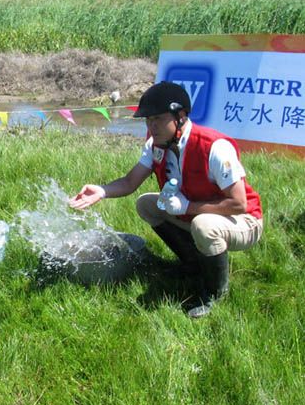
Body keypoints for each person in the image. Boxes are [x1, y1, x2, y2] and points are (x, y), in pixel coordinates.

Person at [69, 81, 263, 318]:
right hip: (199, 214)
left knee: (204, 226)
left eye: (158, 119)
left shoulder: (214, 147)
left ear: (180, 116)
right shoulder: (155, 145)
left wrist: (188, 207)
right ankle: (192, 264)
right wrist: (101, 190)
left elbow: (239, 204)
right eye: (148, 120)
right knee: (147, 204)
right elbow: (130, 182)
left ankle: (213, 292)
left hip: (243, 221)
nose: (152, 126)